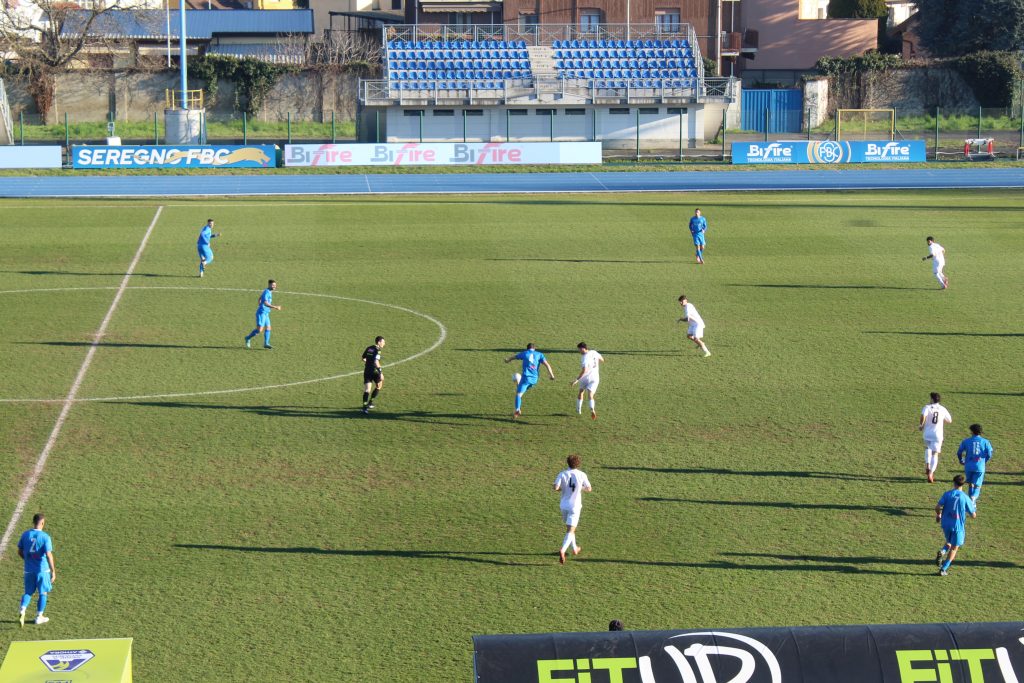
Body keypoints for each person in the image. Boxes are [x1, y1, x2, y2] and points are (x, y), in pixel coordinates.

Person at [17, 513, 55, 627]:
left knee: (28, 592)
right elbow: (49, 555)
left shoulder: (25, 535)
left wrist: (27, 560)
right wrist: (53, 571)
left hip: (28, 570)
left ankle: (22, 609)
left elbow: (19, 551)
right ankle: (39, 617)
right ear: (42, 522)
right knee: (43, 593)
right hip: (42, 571)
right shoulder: (45, 537)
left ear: (33, 522)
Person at [553, 454, 592, 565]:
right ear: (578, 464)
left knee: (570, 529)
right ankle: (563, 550)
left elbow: (556, 487)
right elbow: (589, 488)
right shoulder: (582, 475)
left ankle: (575, 548)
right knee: (571, 530)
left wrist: (561, 488)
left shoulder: (562, 474)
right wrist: (581, 488)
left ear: (568, 463)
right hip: (575, 506)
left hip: (564, 505)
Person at [935, 474, 976, 576]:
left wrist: (939, 515)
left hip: (946, 523)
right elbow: (973, 515)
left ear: (954, 483)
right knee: (954, 548)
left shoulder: (948, 494)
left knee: (949, 541)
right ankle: (943, 569)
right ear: (963, 484)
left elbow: (938, 506)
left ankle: (942, 552)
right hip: (957, 526)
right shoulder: (965, 497)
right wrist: (973, 508)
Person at [504, 343, 555, 419]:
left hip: (526, 378)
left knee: (518, 394)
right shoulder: (539, 354)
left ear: (527, 348)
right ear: (534, 348)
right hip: (535, 379)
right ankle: (518, 383)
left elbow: (514, 357)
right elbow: (547, 365)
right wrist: (552, 375)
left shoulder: (524, 353)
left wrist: (508, 360)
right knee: (521, 391)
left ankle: (517, 409)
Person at [919, 392, 952, 483]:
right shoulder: (942, 409)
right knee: (935, 454)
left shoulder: (927, 407)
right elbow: (949, 420)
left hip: (927, 433)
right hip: (938, 435)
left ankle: (927, 464)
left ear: (932, 399)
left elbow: (923, 415)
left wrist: (921, 425)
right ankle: (931, 473)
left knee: (928, 449)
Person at [957, 424, 993, 503]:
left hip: (968, 466)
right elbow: (989, 454)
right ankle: (973, 498)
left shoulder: (966, 441)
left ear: (972, 431)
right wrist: (985, 461)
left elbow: (959, 452)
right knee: (978, 485)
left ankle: (971, 501)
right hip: (980, 466)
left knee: (970, 484)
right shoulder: (986, 442)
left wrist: (961, 460)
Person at [244, 280, 281, 350]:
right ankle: (247, 338)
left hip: (266, 313)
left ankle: (266, 343)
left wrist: (259, 303)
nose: (274, 286)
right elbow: (266, 303)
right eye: (273, 285)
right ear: (269, 285)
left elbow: (260, 298)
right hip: (261, 313)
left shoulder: (268, 291)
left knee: (268, 327)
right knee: (259, 330)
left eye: (275, 285)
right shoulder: (267, 292)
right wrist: (275, 307)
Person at [571, 342, 604, 420]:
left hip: (585, 377)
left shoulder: (584, 357)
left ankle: (578, 410)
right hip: (595, 377)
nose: (579, 351)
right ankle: (592, 408)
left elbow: (584, 370)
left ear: (583, 348)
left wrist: (576, 380)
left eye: (579, 349)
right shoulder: (594, 352)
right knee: (590, 394)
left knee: (581, 391)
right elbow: (602, 360)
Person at [361, 336, 385, 414]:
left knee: (367, 389)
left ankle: (364, 408)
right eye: (383, 342)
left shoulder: (369, 348)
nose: (384, 343)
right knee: (379, 386)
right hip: (375, 371)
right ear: (378, 342)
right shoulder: (378, 350)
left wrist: (368, 364)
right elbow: (376, 361)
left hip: (367, 370)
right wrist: (380, 372)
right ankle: (370, 402)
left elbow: (363, 358)